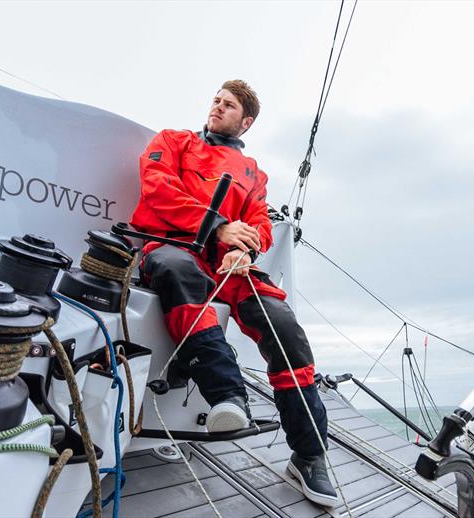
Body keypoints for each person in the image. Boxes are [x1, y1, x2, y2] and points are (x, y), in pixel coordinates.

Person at [130, 80, 338, 507]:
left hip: (229, 265)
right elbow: (157, 186)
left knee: (284, 326)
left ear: (245, 123)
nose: (217, 107)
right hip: (174, 248)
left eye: (228, 106)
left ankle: (308, 454)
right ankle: (228, 396)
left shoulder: (254, 175)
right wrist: (217, 226)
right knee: (177, 271)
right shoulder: (173, 141)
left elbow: (260, 224)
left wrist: (245, 250)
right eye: (216, 100)